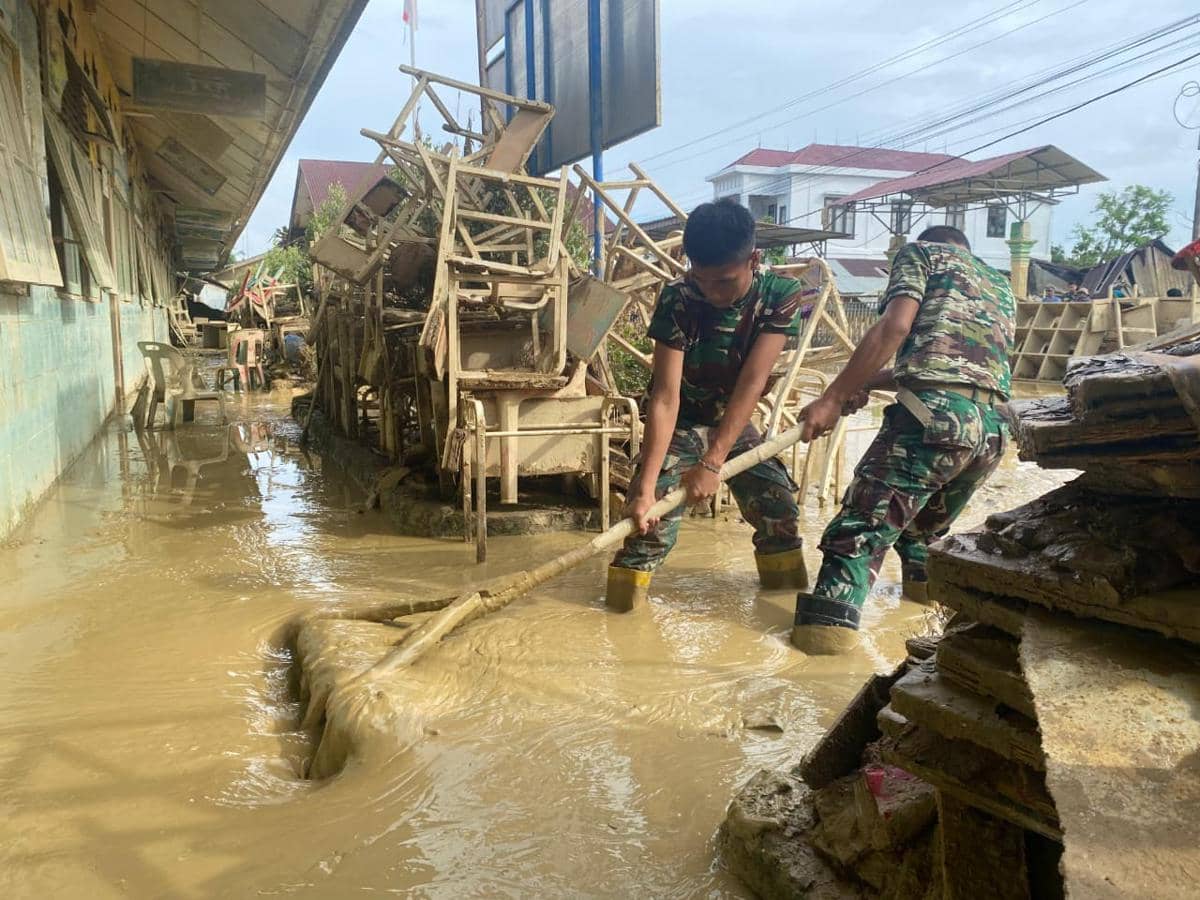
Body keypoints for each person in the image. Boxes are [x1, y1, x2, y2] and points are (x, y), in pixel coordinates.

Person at [791, 225, 1014, 654]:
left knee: (858, 533)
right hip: (991, 431)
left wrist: (832, 397)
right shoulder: (998, 284)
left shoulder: (922, 254)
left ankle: (819, 664)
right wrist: (863, 384)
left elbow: (894, 328)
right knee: (921, 534)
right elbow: (952, 369)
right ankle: (931, 632)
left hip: (933, 422)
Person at [605, 198, 808, 612]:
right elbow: (665, 395)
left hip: (733, 420)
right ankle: (619, 618)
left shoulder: (780, 295)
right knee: (647, 528)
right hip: (682, 421)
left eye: (725, 282)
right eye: (703, 280)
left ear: (754, 259)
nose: (713, 293)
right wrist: (644, 488)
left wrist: (713, 461)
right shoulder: (679, 298)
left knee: (780, 511)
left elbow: (752, 382)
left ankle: (783, 610)